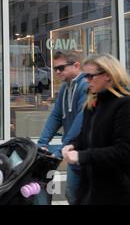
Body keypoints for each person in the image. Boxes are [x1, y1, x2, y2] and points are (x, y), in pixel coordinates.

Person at [62, 53, 130, 205]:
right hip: (91, 188)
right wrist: (73, 145)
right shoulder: (93, 102)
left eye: (91, 76)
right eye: (85, 76)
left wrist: (81, 156)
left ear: (108, 75)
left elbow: (124, 151)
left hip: (117, 192)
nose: (87, 80)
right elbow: (86, 136)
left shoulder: (124, 105)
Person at [37, 50, 88, 204]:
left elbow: (81, 121)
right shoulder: (66, 87)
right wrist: (42, 143)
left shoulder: (85, 86)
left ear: (76, 65)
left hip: (86, 150)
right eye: (55, 69)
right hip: (72, 150)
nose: (57, 72)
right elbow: (56, 116)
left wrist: (60, 150)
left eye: (61, 68)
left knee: (78, 193)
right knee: (73, 193)